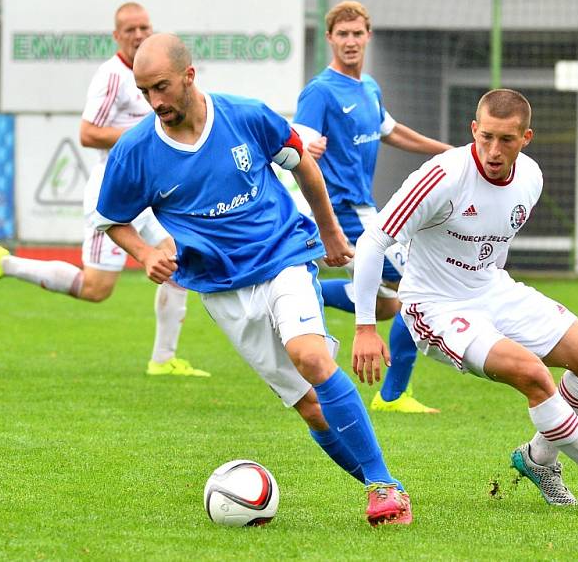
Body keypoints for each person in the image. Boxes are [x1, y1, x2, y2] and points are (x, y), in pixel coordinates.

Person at [93, 32, 411, 525]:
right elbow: (112, 217)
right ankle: (382, 483)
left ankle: (383, 486)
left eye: (161, 87)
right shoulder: (136, 151)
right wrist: (143, 251)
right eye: (145, 92)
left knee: (311, 356)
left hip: (284, 256)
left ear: (189, 76)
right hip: (222, 289)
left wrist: (329, 235)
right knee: (310, 409)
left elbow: (302, 161)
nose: (155, 102)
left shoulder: (245, 116)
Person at [351, 88, 578, 510]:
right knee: (531, 372)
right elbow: (373, 241)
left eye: (506, 139)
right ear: (473, 129)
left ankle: (539, 458)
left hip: (492, 290)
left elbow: (489, 247)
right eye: (485, 136)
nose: (492, 149)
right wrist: (365, 326)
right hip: (435, 307)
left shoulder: (531, 178)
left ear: (526, 138)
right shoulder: (442, 176)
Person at [0, 3, 207, 378]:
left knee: (175, 257)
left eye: (144, 27)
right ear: (116, 36)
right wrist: (142, 136)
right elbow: (87, 133)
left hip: (149, 191)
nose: (139, 35)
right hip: (113, 189)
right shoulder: (111, 76)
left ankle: (163, 359)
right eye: (130, 29)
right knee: (96, 288)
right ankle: (4, 263)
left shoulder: (158, 73)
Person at [292, 0, 453, 414]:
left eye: (356, 33)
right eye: (341, 34)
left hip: (366, 209)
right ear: (329, 39)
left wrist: (450, 154)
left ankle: (308, 293)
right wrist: (306, 147)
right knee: (419, 286)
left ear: (368, 36)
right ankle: (393, 397)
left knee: (386, 305)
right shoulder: (320, 92)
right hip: (341, 211)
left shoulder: (369, 87)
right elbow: (298, 149)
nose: (350, 41)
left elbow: (393, 131)